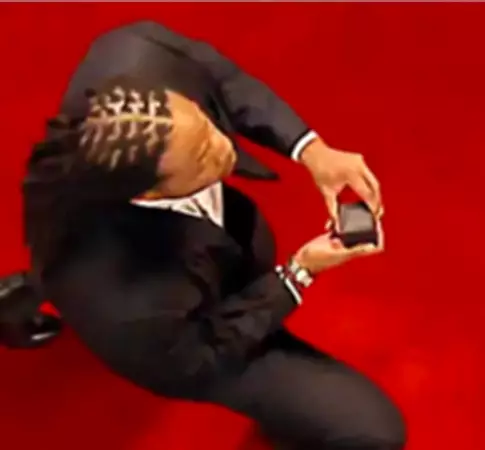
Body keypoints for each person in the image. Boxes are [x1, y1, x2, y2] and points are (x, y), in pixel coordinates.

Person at [22, 20, 406, 449]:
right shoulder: (126, 295)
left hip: (207, 257)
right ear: (149, 191)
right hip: (189, 339)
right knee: (375, 432)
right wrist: (297, 274)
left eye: (205, 124)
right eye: (203, 155)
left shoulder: (136, 52)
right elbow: (197, 359)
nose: (225, 144)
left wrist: (312, 150)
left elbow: (220, 78)